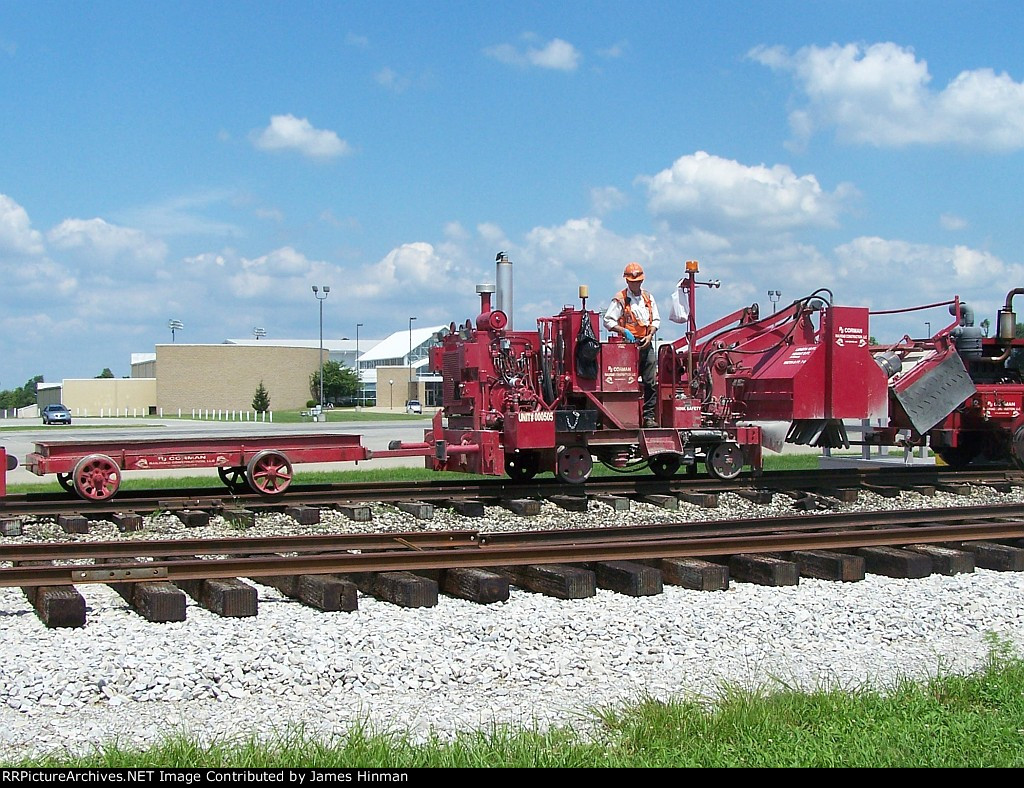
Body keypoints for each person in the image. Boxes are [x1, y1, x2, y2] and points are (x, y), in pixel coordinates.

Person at [604, 262, 661, 427]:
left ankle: (648, 417)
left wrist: (649, 335)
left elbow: (655, 319)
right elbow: (608, 320)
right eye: (632, 281)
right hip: (627, 347)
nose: (635, 283)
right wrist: (623, 331)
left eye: (637, 281)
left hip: (646, 342)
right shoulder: (620, 299)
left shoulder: (648, 298)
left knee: (650, 381)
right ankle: (627, 418)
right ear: (627, 281)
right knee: (627, 382)